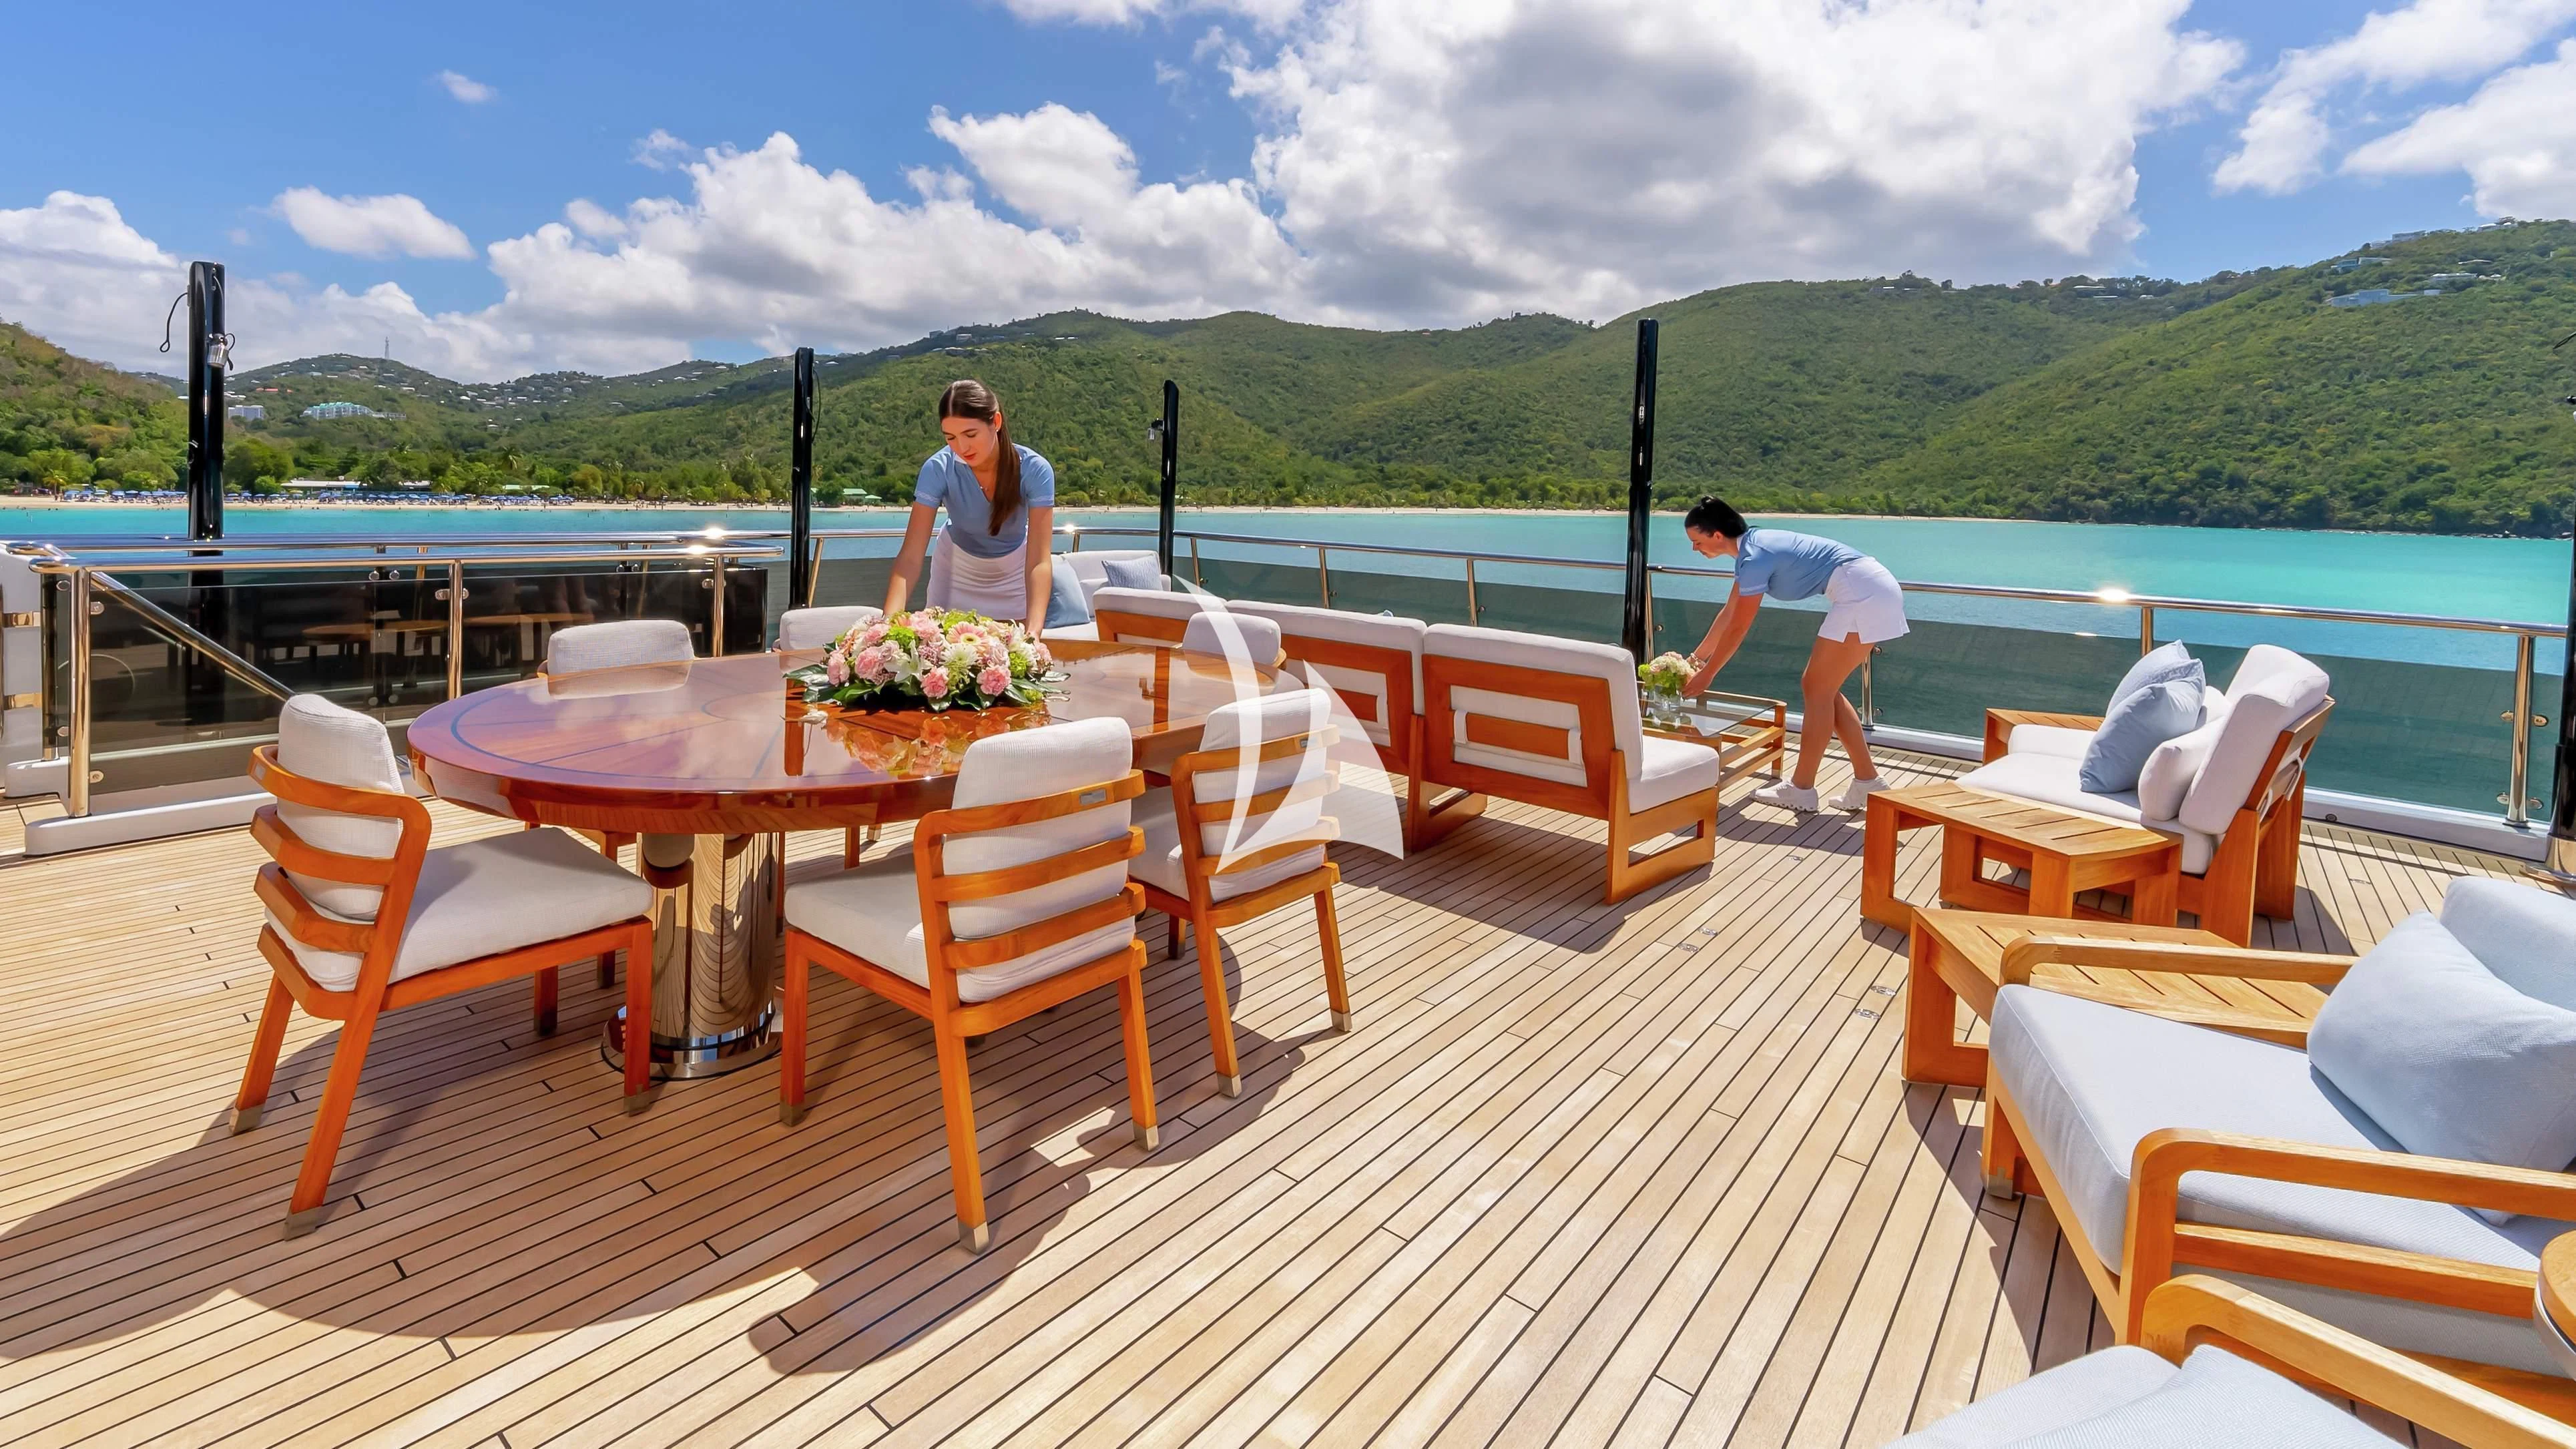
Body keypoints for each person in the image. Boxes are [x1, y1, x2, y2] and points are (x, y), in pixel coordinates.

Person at [1678, 497, 1906, 812]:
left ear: (1717, 535)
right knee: (1823, 690)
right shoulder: (1751, 551)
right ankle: (1868, 782)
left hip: (1862, 594)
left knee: (1816, 687)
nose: (1695, 549)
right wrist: (1695, 660)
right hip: (1869, 588)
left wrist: (1709, 674)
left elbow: (1740, 627)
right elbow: (1730, 612)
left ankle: (1802, 788)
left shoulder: (1754, 556)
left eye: (1697, 541)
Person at [883, 379, 1056, 626]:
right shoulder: (938, 468)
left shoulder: (1035, 470)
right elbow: (910, 557)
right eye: (950, 437)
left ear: (996, 423)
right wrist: (887, 623)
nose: (961, 447)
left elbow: (1039, 561)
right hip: (956, 570)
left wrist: (1035, 632)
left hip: (1013, 571)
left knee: (1016, 653)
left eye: (970, 434)